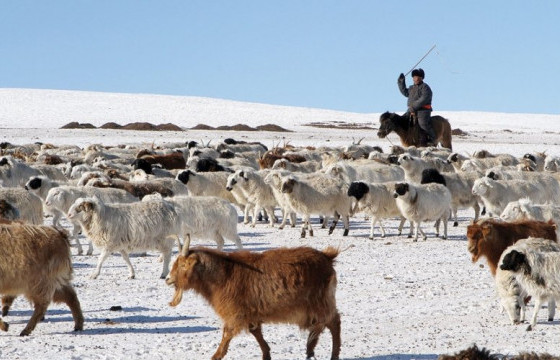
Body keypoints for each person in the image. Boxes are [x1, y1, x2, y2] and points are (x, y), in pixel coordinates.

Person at [398, 68, 436, 146]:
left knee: (423, 124)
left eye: (419, 77)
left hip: (423, 110)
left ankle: (432, 138)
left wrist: (413, 107)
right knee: (402, 121)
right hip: (411, 110)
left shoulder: (425, 87)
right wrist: (401, 82)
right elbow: (405, 92)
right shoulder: (412, 88)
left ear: (422, 78)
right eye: (414, 77)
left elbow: (423, 99)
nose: (416, 78)